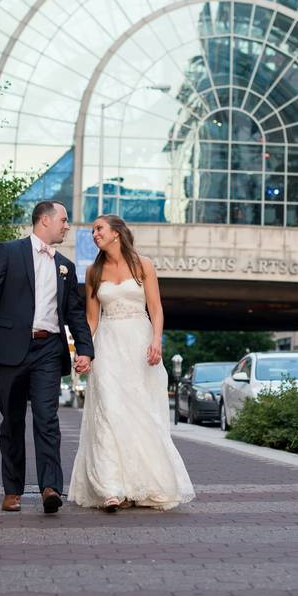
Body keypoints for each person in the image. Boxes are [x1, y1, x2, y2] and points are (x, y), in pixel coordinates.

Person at [0, 200, 94, 514]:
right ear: (45, 220)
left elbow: (75, 314)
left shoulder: (66, 266)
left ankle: (50, 488)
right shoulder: (9, 252)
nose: (67, 226)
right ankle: (12, 490)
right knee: (12, 421)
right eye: (64, 220)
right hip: (12, 346)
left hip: (49, 350)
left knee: (47, 420)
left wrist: (85, 350)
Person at [68, 214, 195, 512]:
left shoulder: (143, 265)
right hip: (108, 347)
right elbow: (91, 318)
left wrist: (156, 340)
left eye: (99, 229)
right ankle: (112, 489)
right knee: (108, 413)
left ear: (116, 233)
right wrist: (84, 352)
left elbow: (156, 308)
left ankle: (142, 484)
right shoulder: (93, 271)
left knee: (140, 414)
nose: (94, 234)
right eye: (92, 230)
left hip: (139, 344)